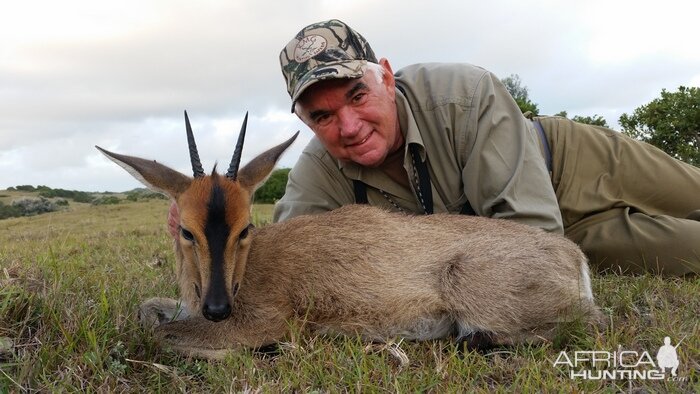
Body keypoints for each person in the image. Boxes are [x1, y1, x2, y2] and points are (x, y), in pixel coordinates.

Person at [169, 19, 699, 276]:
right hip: (547, 236)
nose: (348, 127)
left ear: (385, 76)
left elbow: (531, 230)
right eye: (322, 116)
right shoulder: (319, 172)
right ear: (303, 121)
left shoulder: (464, 94)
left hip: (568, 165)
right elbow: (276, 257)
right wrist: (199, 230)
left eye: (357, 95)